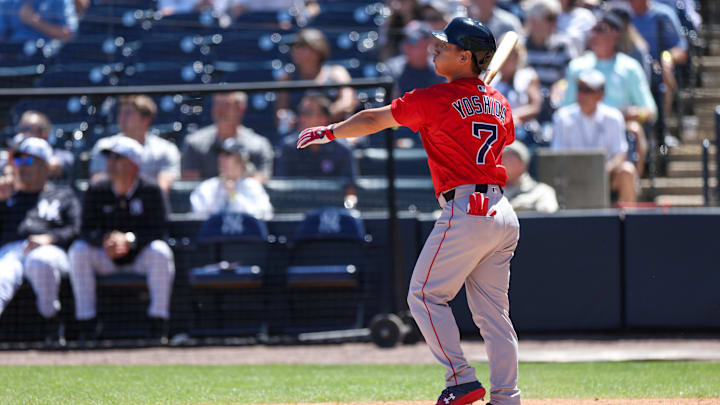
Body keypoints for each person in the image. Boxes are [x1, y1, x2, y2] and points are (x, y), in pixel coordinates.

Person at [297, 17, 521, 405]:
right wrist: (477, 96)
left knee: (423, 296)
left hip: (466, 208)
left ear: (465, 56)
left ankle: (461, 379)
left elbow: (373, 119)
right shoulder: (499, 102)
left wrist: (330, 130)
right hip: (501, 211)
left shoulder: (434, 98)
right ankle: (506, 397)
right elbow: (492, 131)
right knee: (494, 316)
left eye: (445, 46)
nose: (435, 48)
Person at [69, 136, 175, 343]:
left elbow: (159, 229)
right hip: (105, 256)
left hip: (139, 258)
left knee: (161, 252)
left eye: (118, 158)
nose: (111, 164)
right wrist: (104, 240)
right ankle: (86, 325)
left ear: (134, 164)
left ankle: (158, 324)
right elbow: (85, 229)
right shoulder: (97, 189)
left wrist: (129, 240)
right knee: (78, 251)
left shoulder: (151, 190)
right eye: (110, 158)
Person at [0, 137, 80, 346]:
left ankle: (51, 322)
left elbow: (76, 229)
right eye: (19, 161)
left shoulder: (63, 195)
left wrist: (50, 238)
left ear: (45, 166)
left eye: (29, 161)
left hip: (50, 250)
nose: (22, 167)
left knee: (41, 261)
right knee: (2, 275)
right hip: (12, 252)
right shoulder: (8, 195)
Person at [561, 10, 656, 175]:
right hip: (581, 125)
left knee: (635, 130)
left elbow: (650, 111)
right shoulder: (577, 66)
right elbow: (566, 106)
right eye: (594, 29)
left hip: (619, 128)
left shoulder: (630, 67)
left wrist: (632, 114)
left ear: (615, 34)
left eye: (601, 30)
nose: (595, 35)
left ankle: (633, 185)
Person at [552, 69, 638, 203]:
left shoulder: (614, 117)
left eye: (588, 90)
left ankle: (627, 221)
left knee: (627, 171)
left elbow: (620, 153)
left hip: (607, 175)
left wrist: (603, 171)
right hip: (572, 177)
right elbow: (557, 155)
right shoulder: (562, 117)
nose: (582, 94)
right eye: (580, 89)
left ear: (600, 95)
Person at [276, 93, 358, 209]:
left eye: (307, 113)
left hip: (332, 210)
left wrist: (348, 209)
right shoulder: (288, 147)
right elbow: (281, 187)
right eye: (301, 113)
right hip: (296, 210)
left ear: (324, 119)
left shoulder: (342, 149)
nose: (301, 118)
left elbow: (350, 191)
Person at [89, 95, 181, 194]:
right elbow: (97, 186)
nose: (122, 118)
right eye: (121, 113)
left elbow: (161, 189)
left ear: (146, 119)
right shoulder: (104, 146)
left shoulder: (166, 149)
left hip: (147, 206)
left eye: (128, 113)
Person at [182, 92, 274, 183]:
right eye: (217, 104)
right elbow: (190, 186)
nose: (220, 110)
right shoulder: (194, 143)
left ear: (240, 108)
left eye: (226, 105)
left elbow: (259, 184)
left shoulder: (259, 146)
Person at [275, 28, 357, 123]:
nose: (295, 50)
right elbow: (280, 112)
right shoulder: (287, 78)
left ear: (317, 49)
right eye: (294, 46)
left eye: (301, 45)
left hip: (335, 131)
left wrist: (320, 120)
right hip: (301, 134)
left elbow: (347, 102)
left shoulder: (337, 72)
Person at [385, 20, 445, 148]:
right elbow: (389, 110)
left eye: (412, 40)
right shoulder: (392, 69)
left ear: (428, 43)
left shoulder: (441, 71)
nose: (406, 45)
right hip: (401, 130)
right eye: (405, 39)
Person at [522, 0, 577, 122]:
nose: (555, 23)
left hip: (554, 106)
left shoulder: (563, 45)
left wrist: (560, 86)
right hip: (525, 106)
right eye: (549, 18)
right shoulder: (520, 45)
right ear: (533, 20)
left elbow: (570, 76)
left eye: (556, 18)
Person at [190, 138, 273, 219]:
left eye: (227, 155)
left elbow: (265, 216)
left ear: (241, 161)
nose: (222, 159)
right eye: (221, 155)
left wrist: (233, 196)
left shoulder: (252, 186)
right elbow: (197, 217)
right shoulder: (207, 187)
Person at [490, 38, 543, 147]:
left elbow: (535, 106)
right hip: (494, 131)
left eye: (508, 56)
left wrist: (511, 118)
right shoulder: (489, 80)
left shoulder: (528, 76)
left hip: (521, 132)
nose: (503, 61)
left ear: (517, 57)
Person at [3, 111, 75, 180]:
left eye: (27, 129)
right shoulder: (13, 155)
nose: (22, 133)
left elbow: (65, 162)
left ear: (44, 133)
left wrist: (48, 164)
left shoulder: (61, 155)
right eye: (21, 129)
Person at [502, 141, 558, 213]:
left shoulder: (542, 191)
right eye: (503, 158)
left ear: (523, 164)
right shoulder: (490, 191)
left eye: (510, 159)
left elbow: (548, 215)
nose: (505, 163)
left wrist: (523, 208)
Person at [1, 0, 78, 42]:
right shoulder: (9, 2)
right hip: (13, 54)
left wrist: (35, 21)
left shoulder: (61, 2)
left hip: (44, 60)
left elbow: (68, 35)